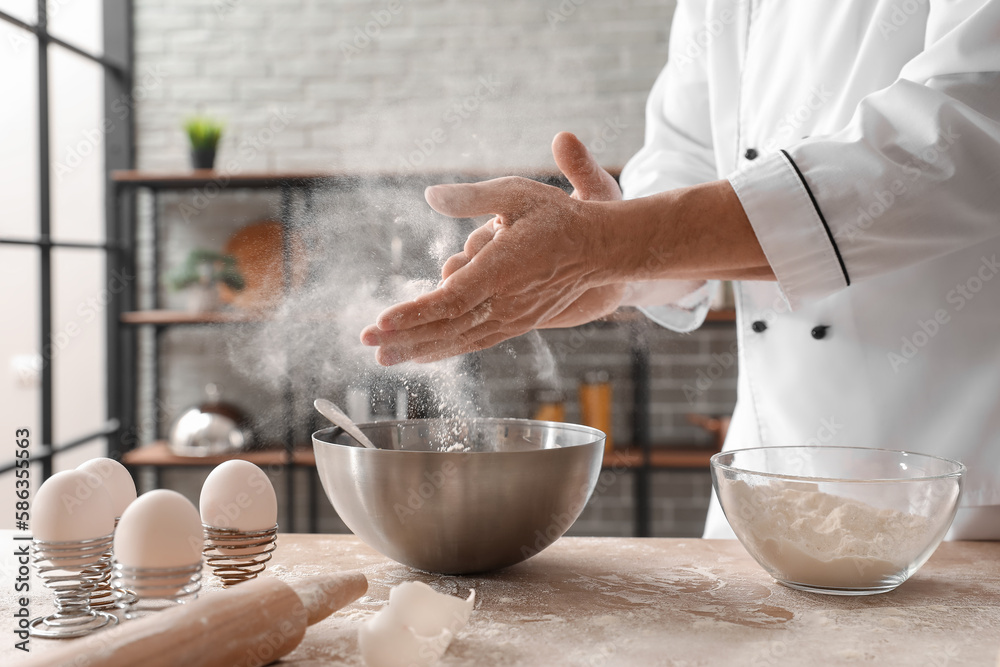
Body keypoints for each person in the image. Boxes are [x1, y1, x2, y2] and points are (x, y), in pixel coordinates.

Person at [362, 0, 1000, 539]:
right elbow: (685, 154)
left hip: (954, 490)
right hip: (763, 487)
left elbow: (959, 138)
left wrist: (612, 244)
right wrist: (613, 269)